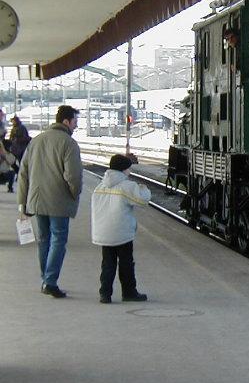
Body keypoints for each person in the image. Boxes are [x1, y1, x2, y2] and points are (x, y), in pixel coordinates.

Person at [18, 105, 82, 299]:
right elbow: (73, 176)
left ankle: (45, 279)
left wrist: (23, 202)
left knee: (44, 239)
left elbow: (23, 173)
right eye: (75, 122)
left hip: (37, 200)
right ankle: (50, 281)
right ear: (66, 121)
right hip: (58, 201)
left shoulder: (36, 141)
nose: (76, 126)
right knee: (58, 239)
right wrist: (74, 193)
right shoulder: (69, 144)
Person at [91, 154, 150, 304]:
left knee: (107, 264)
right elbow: (143, 199)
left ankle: (105, 294)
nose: (129, 172)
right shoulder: (126, 186)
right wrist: (142, 187)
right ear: (123, 170)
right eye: (128, 169)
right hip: (121, 231)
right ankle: (129, 292)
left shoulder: (100, 186)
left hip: (104, 232)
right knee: (126, 263)